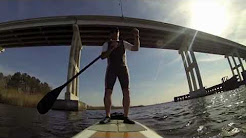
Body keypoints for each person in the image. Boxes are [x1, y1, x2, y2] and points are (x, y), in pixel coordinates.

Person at [100, 27, 140, 124]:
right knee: (108, 91)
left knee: (126, 91)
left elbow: (136, 48)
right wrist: (111, 48)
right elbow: (102, 56)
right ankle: (107, 116)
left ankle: (126, 117)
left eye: (116, 31)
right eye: (113, 32)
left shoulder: (123, 43)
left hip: (123, 69)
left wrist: (136, 36)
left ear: (118, 33)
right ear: (110, 35)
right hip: (111, 69)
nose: (115, 33)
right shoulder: (106, 44)